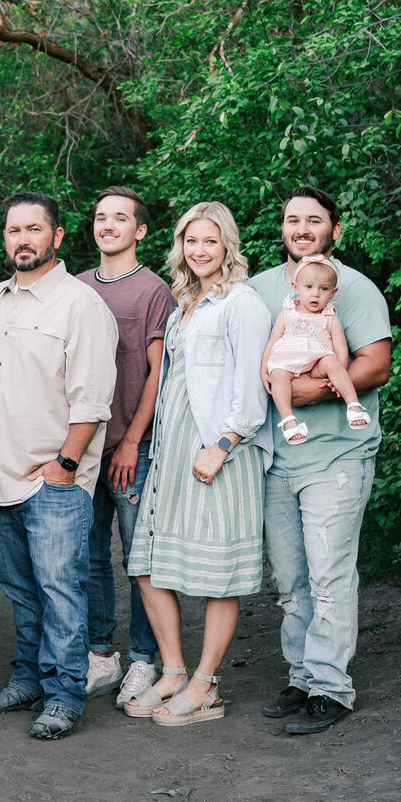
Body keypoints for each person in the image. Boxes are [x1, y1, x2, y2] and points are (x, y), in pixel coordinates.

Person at [0, 192, 118, 740]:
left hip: (51, 478)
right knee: (19, 588)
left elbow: (93, 398)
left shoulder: (81, 305)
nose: (23, 239)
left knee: (61, 589)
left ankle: (63, 694)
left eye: (35, 230)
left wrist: (66, 464)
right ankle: (28, 677)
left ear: (56, 237)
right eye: (13, 231)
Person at [122, 202, 272, 726]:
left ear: (227, 245)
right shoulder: (185, 302)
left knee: (217, 573)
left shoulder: (243, 304)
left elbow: (256, 385)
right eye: (191, 241)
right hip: (173, 450)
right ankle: (172, 671)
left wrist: (225, 443)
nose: (199, 251)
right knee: (146, 564)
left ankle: (206, 685)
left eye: (209, 241)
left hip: (220, 451)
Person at [250, 186, 392, 735]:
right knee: (291, 581)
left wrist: (314, 392)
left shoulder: (352, 288)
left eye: (314, 220)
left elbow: (375, 365)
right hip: (274, 457)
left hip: (337, 455)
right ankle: (302, 675)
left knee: (329, 574)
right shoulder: (261, 288)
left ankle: (332, 688)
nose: (302, 229)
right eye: (292, 220)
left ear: (335, 228)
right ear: (282, 229)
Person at [77, 186, 177, 708]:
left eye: (120, 218)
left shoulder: (153, 291)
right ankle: (100, 656)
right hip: (85, 450)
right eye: (100, 217)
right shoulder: (76, 287)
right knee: (89, 556)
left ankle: (143, 659)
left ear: (139, 230)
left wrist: (133, 441)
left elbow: (159, 371)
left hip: (132, 450)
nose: (107, 225)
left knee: (141, 558)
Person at [261, 253, 372, 445]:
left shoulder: (330, 317)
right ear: (296, 287)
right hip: (287, 359)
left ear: (333, 292)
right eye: (309, 287)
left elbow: (340, 347)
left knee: (331, 361)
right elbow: (272, 341)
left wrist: (338, 372)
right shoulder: (287, 312)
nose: (315, 294)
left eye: (323, 289)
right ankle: (288, 420)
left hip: (317, 361)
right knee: (278, 375)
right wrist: (264, 367)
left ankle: (353, 406)